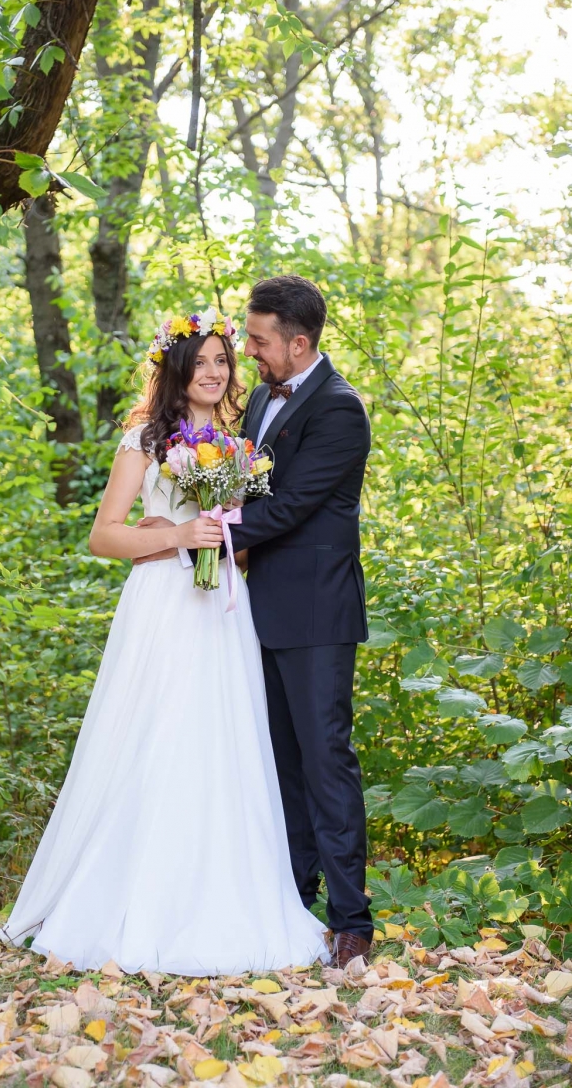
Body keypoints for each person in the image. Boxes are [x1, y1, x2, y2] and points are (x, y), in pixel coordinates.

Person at [0, 305, 330, 975]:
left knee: (222, 744)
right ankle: (134, 897)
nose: (214, 371)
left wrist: (227, 545)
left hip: (222, 614)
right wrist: (177, 535)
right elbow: (103, 534)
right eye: (200, 360)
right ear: (176, 367)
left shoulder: (241, 443)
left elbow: (242, 531)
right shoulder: (144, 440)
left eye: (223, 360)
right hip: (162, 607)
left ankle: (225, 897)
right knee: (157, 737)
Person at [140, 277, 374, 969]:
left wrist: (201, 532)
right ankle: (288, 901)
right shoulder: (263, 405)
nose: (249, 351)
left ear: (298, 343)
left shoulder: (338, 411)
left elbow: (290, 506)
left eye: (260, 340)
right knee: (278, 766)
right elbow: (243, 486)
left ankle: (351, 920)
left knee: (325, 759)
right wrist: (186, 523)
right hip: (248, 611)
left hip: (314, 614)